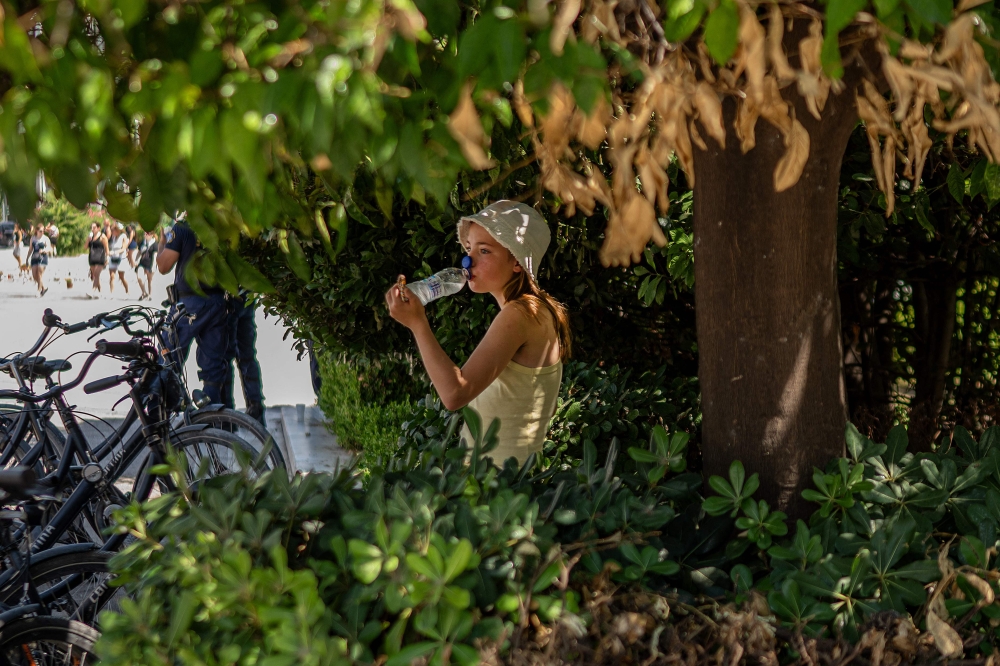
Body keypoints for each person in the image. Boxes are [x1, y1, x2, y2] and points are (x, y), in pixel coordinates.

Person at [385, 201, 571, 467]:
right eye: (469, 248)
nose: (468, 260)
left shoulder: (519, 315)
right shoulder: (535, 311)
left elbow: (454, 395)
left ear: (517, 262)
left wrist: (418, 324)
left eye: (484, 251)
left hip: (499, 487)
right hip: (504, 482)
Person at [157, 215, 231, 405]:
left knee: (167, 360)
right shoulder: (223, 224)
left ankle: (159, 420)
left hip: (189, 304)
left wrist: (161, 242)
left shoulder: (184, 227)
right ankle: (212, 425)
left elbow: (164, 266)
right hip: (216, 302)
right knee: (213, 370)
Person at [222, 290, 266, 425]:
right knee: (247, 356)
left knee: (225, 358)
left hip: (229, 297)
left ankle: (226, 416)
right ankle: (256, 407)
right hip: (246, 295)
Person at [27, 224, 52, 296]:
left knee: (39, 274)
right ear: (36, 231)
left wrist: (44, 251)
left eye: (43, 231)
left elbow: (50, 249)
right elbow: (30, 249)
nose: (42, 232)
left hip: (43, 257)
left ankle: (39, 291)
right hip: (34, 257)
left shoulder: (46, 238)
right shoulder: (33, 238)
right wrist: (27, 258)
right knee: (35, 276)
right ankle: (44, 287)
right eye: (40, 231)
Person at [87, 222, 109, 298]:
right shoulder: (91, 237)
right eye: (91, 227)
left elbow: (107, 248)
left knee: (96, 275)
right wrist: (88, 240)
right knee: (95, 276)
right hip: (92, 257)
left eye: (94, 227)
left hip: (100, 257)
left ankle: (92, 291)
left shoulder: (103, 237)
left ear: (99, 228)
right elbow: (85, 247)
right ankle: (101, 292)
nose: (92, 229)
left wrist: (107, 258)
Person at [107, 223, 129, 296]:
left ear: (118, 230)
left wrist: (114, 252)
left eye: (113, 230)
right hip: (113, 258)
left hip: (121, 258)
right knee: (111, 276)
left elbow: (123, 249)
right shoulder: (113, 238)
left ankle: (127, 290)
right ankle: (111, 293)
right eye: (112, 230)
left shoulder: (123, 236)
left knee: (121, 277)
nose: (112, 231)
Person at [134, 229, 157, 300]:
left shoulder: (155, 244)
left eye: (147, 234)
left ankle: (150, 294)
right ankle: (144, 292)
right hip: (142, 263)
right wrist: (136, 260)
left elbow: (155, 255)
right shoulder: (142, 243)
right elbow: (139, 252)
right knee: (139, 277)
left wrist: (154, 266)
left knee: (149, 280)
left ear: (151, 235)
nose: (145, 235)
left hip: (150, 263)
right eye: (145, 234)